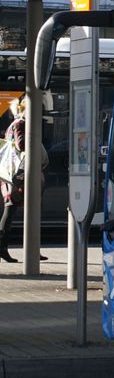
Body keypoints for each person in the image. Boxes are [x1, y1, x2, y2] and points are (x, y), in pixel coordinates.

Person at [0, 97, 45, 263]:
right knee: (11, 211)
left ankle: (31, 249)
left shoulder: (13, 124)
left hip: (14, 175)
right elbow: (21, 145)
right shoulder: (21, 124)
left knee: (21, 211)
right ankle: (3, 248)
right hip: (18, 176)